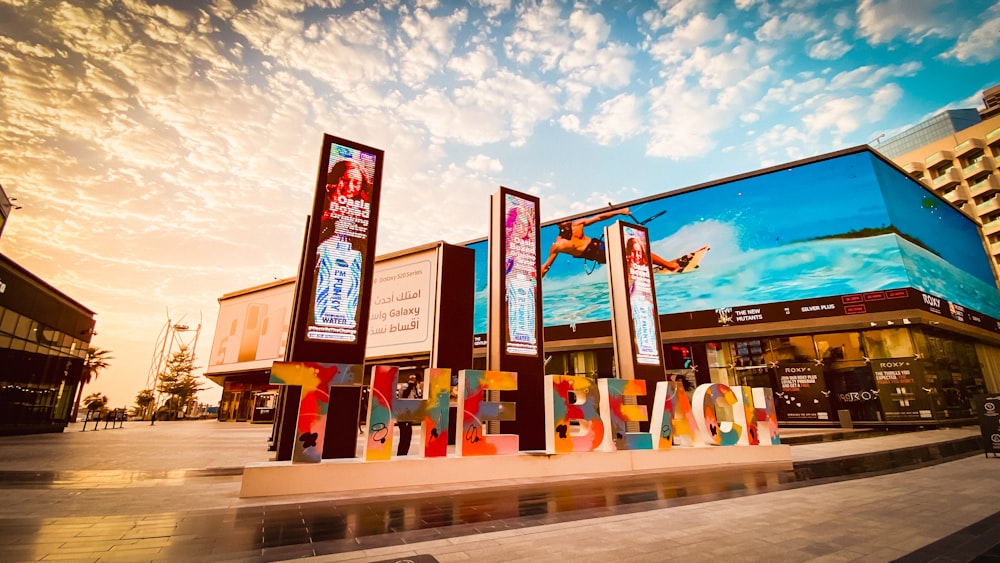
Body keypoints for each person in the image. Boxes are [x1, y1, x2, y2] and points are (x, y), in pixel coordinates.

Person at [541, 207, 682, 276]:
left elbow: (599, 217)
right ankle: (670, 266)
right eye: (564, 222)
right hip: (598, 255)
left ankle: (636, 273)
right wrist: (535, 284)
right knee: (634, 250)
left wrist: (619, 211)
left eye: (568, 219)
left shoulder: (577, 225)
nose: (568, 222)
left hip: (603, 245)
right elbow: (546, 266)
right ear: (558, 225)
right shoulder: (558, 245)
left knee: (634, 251)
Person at [396, 374, 419, 456]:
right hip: (403, 415)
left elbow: (416, 398)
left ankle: (404, 452)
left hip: (409, 415)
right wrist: (410, 385)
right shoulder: (405, 386)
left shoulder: (413, 388)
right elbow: (404, 396)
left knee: (408, 435)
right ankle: (401, 453)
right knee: (404, 435)